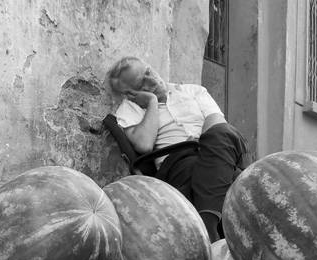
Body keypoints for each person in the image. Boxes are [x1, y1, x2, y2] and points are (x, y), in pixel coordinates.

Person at [106, 56, 249, 241]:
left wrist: (208, 151)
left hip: (213, 150)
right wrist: (151, 103)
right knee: (239, 183)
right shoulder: (130, 110)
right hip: (178, 162)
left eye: (148, 72)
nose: (153, 81)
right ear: (130, 93)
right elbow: (144, 144)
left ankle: (207, 226)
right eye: (142, 83)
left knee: (221, 133)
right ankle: (212, 226)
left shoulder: (193, 91)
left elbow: (217, 123)